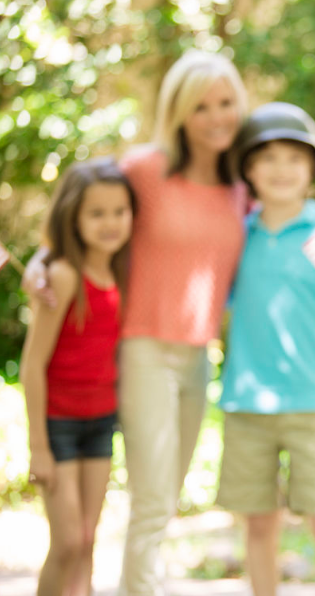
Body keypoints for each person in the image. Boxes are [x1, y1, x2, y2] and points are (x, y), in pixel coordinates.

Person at [24, 50, 249, 595]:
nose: (216, 117)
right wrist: (41, 261)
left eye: (225, 103)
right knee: (151, 500)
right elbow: (79, 214)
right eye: (201, 107)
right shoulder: (144, 171)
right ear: (178, 113)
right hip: (142, 349)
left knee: (166, 499)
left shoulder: (240, 187)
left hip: (198, 357)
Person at [215, 102, 315, 596]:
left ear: (311, 167)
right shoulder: (239, 234)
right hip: (247, 402)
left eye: (294, 158)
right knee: (259, 524)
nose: (281, 169)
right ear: (248, 170)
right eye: (268, 158)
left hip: (311, 399)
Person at [21, 158, 135, 596]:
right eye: (96, 213)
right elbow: (33, 364)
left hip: (100, 421)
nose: (110, 223)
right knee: (67, 542)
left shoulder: (122, 272)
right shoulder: (63, 277)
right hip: (59, 426)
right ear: (73, 215)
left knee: (88, 539)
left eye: (119, 211)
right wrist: (39, 446)